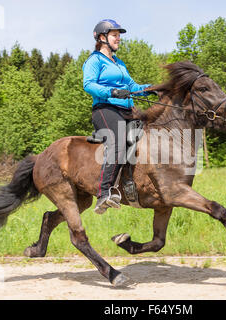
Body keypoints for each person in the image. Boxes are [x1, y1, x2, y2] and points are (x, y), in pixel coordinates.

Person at [83, 19, 153, 214]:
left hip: (126, 110)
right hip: (105, 109)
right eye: (114, 35)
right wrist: (112, 92)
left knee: (146, 137)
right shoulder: (94, 60)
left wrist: (150, 89)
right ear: (102, 38)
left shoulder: (119, 63)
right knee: (118, 140)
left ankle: (129, 182)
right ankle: (104, 193)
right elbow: (88, 84)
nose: (118, 39)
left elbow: (132, 87)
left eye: (119, 36)